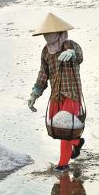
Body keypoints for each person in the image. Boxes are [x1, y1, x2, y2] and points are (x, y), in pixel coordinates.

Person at [28, 12, 85, 172]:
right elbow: (43, 74)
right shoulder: (46, 52)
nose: (46, 36)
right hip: (56, 95)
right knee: (58, 129)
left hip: (71, 93)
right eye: (45, 33)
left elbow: (80, 56)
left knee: (66, 128)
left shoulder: (71, 46)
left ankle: (62, 164)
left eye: (50, 33)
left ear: (59, 33)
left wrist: (73, 54)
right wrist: (35, 93)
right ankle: (77, 142)